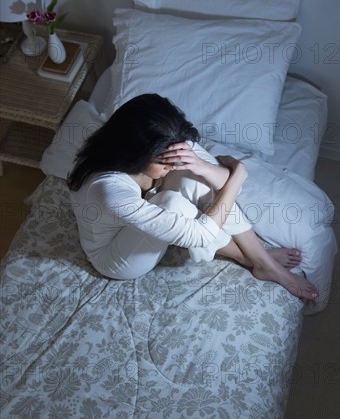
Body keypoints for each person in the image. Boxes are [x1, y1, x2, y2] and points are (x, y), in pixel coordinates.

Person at [67, 93, 318, 301]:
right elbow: (201, 234)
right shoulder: (109, 191)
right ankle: (248, 258)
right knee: (172, 203)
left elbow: (226, 190)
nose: (172, 162)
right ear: (138, 155)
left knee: (191, 176)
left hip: (139, 209)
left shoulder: (157, 139)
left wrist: (200, 165)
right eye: (164, 161)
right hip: (115, 255)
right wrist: (239, 173)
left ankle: (262, 260)